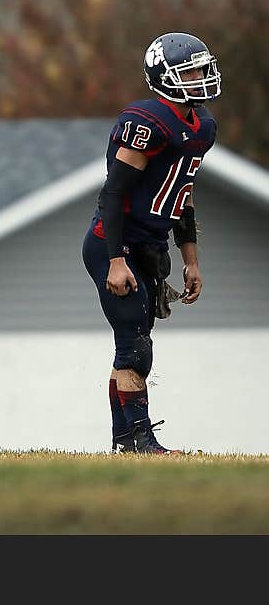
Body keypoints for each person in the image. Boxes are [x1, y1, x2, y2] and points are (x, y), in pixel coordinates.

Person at [82, 32, 221, 454]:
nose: (201, 77)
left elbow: (184, 195)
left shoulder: (203, 127)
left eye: (202, 67)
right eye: (191, 70)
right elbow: (114, 193)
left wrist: (190, 260)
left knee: (134, 341)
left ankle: (124, 441)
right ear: (166, 77)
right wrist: (115, 260)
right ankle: (142, 442)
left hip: (149, 245)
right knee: (134, 347)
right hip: (115, 244)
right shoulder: (146, 121)